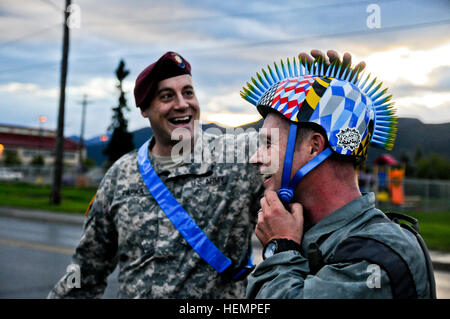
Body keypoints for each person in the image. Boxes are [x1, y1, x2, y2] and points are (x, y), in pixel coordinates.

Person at [48, 51, 264, 298]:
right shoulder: (120, 176)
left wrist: (317, 90)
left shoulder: (239, 156)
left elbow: (301, 148)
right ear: (144, 109)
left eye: (188, 92)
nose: (182, 104)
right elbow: (86, 270)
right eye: (167, 96)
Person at [242, 55, 436, 298]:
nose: (256, 157)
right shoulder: (319, 235)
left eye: (268, 143)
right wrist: (327, 94)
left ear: (314, 147)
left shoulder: (376, 253)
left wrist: (280, 249)